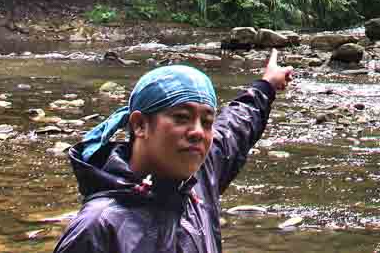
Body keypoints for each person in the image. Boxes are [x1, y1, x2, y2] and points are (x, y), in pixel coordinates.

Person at [53, 50, 294, 252]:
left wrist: (267, 85)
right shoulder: (99, 227)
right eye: (181, 117)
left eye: (207, 121)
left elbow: (237, 125)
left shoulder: (198, 180)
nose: (198, 132)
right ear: (140, 125)